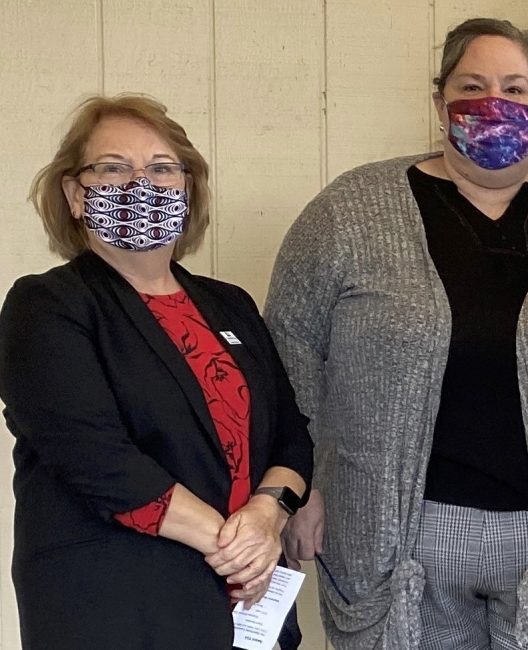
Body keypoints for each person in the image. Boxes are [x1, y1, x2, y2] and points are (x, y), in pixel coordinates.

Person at [265, 18, 528, 648]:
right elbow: (289, 350)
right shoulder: (350, 211)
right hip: (395, 540)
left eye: (515, 90)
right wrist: (298, 490)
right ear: (441, 102)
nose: (495, 103)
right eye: (473, 85)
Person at [1, 94, 313, 648]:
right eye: (114, 167)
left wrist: (269, 515)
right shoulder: (47, 305)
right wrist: (236, 548)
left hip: (247, 602)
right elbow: (95, 458)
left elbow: (290, 436)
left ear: (188, 189)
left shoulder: (230, 305)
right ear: (75, 194)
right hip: (116, 603)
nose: (140, 183)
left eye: (163, 168)